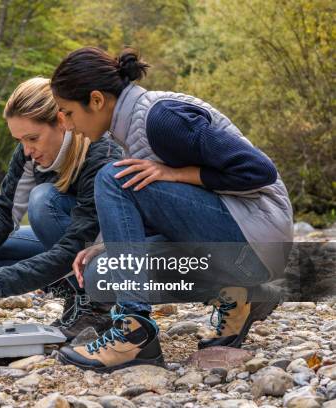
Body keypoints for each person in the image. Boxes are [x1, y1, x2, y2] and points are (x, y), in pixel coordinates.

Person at [50, 46, 293, 371]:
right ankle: (243, 295)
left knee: (114, 177)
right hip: (235, 241)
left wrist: (177, 173)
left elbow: (259, 171)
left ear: (96, 100)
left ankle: (133, 334)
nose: (65, 125)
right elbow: (166, 210)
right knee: (101, 273)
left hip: (258, 232)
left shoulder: (162, 118)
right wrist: (105, 244)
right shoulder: (129, 128)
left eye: (67, 112)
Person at [0, 77, 128, 340]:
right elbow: (4, 211)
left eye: (32, 138)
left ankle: (98, 305)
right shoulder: (28, 153)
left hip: (108, 252)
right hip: (69, 243)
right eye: (20, 140)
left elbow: (76, 244)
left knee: (42, 201)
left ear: (62, 122)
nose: (27, 149)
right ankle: (72, 292)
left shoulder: (101, 152)